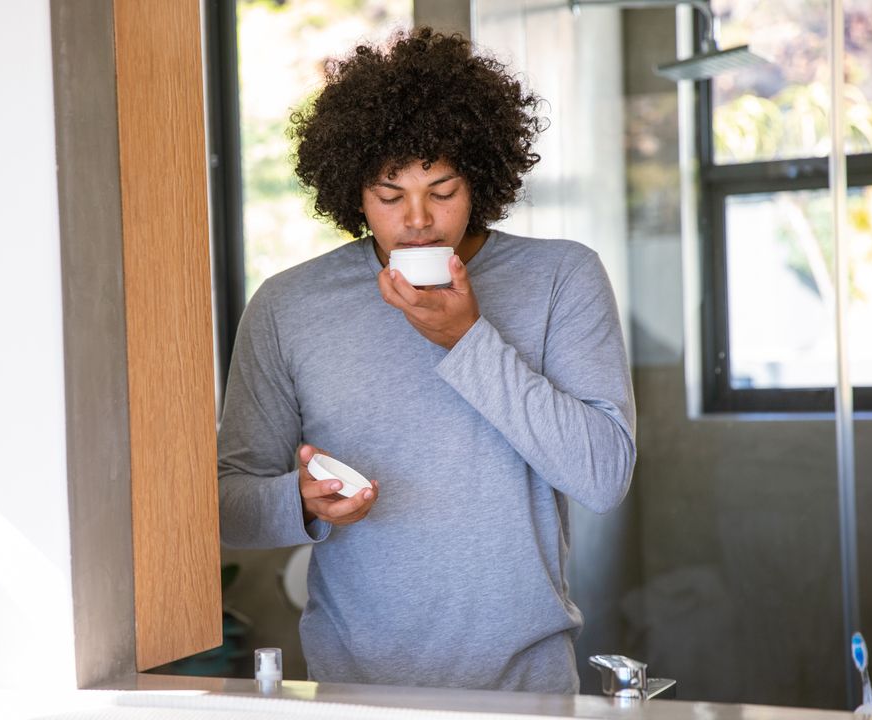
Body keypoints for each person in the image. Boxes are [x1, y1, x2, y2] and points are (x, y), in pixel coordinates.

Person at [217, 27, 635, 694]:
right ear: (354, 192)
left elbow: (603, 475)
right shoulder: (288, 306)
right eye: (390, 195)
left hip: (525, 691)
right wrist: (300, 503)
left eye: (442, 191)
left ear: (481, 180)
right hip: (355, 692)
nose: (417, 219)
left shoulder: (562, 278)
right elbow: (225, 505)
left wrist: (467, 340)